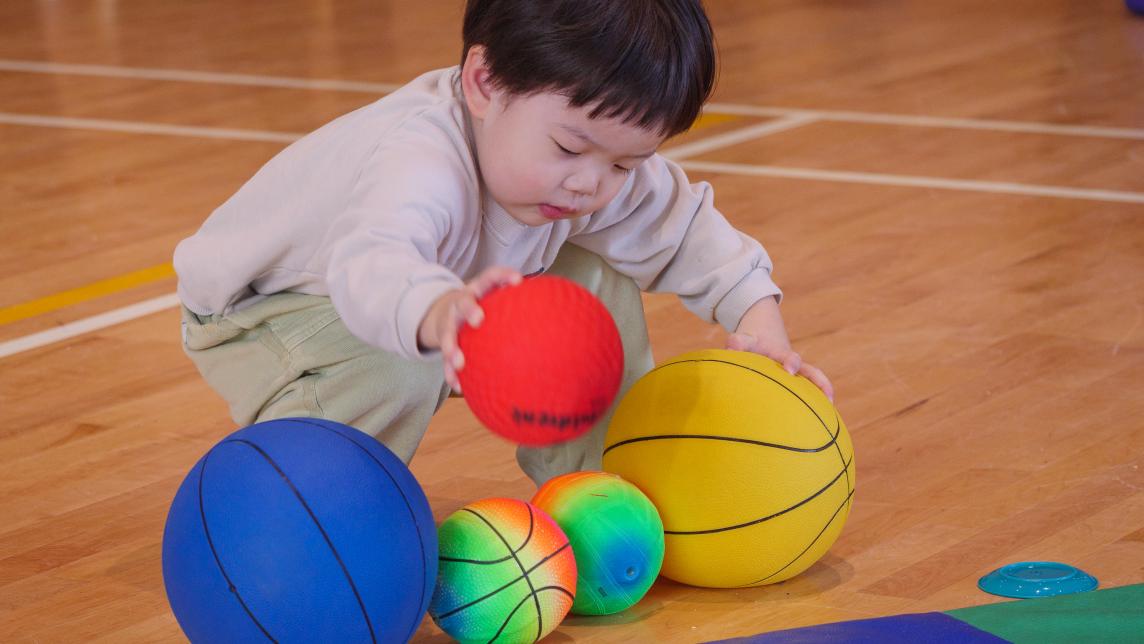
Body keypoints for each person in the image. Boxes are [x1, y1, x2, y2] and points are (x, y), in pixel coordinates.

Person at [174, 0, 833, 487]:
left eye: (623, 164)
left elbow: (687, 231)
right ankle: (313, 500)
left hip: (429, 299)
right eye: (569, 148)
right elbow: (371, 264)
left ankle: (598, 487)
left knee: (594, 280)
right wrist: (439, 312)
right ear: (484, 83)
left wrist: (763, 330)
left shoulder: (583, 164)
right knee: (399, 366)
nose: (590, 183)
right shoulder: (418, 158)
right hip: (266, 314)